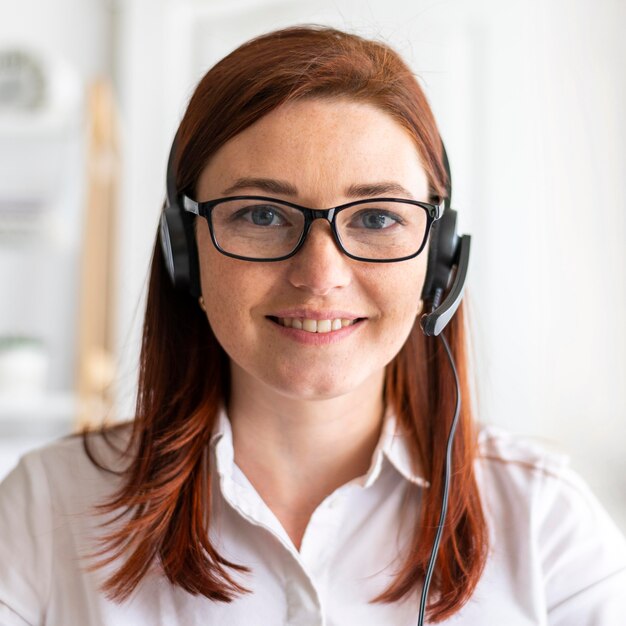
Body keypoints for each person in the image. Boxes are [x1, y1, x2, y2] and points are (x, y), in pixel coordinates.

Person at [1, 25, 625, 626]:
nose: (320, 274)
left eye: (377, 218)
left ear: (440, 262)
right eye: (262, 214)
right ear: (182, 252)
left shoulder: (546, 522)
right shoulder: (47, 508)